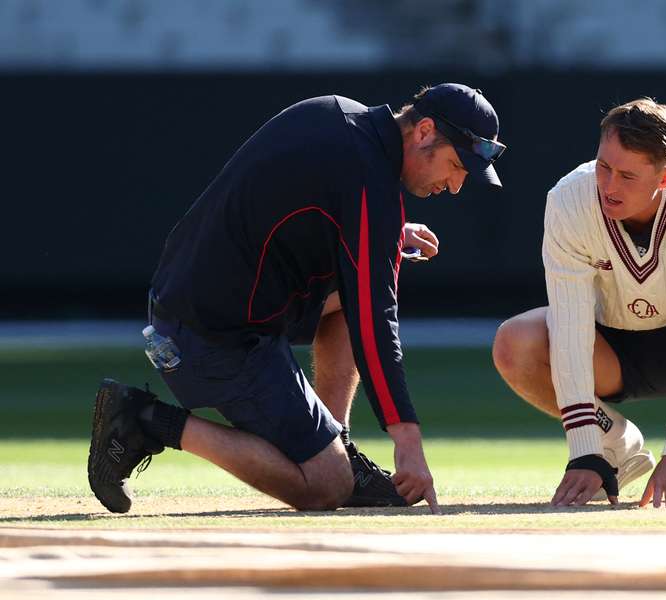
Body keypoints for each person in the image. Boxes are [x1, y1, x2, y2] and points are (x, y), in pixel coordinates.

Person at [87, 83, 506, 514]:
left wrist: (387, 238)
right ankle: (144, 420)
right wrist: (407, 439)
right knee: (326, 487)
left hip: (200, 303)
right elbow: (375, 318)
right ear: (423, 131)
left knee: (358, 284)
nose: (455, 186)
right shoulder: (367, 175)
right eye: (456, 166)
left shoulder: (339, 112)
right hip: (208, 334)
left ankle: (335, 440)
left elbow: (284, 213)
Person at [492, 98, 666, 509]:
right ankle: (617, 444)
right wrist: (585, 450)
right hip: (608, 347)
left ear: (665, 177)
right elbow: (570, 327)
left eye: (627, 175)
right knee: (515, 341)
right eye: (604, 167)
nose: (608, 186)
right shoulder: (569, 199)